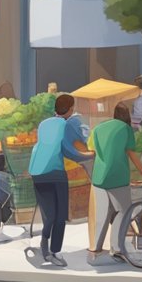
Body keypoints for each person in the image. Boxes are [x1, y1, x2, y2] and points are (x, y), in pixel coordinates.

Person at [28, 94, 92, 266]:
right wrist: (89, 156)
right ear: (70, 109)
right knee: (60, 215)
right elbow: (68, 150)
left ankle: (44, 243)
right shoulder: (66, 125)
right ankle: (55, 251)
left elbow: (43, 145)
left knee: (49, 214)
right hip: (55, 173)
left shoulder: (44, 124)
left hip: (37, 172)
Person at [88, 102, 142, 263]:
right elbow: (132, 154)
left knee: (103, 213)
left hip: (99, 177)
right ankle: (116, 248)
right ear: (127, 116)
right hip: (118, 177)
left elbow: (95, 151)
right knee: (124, 212)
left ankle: (95, 250)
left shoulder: (99, 128)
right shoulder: (126, 129)